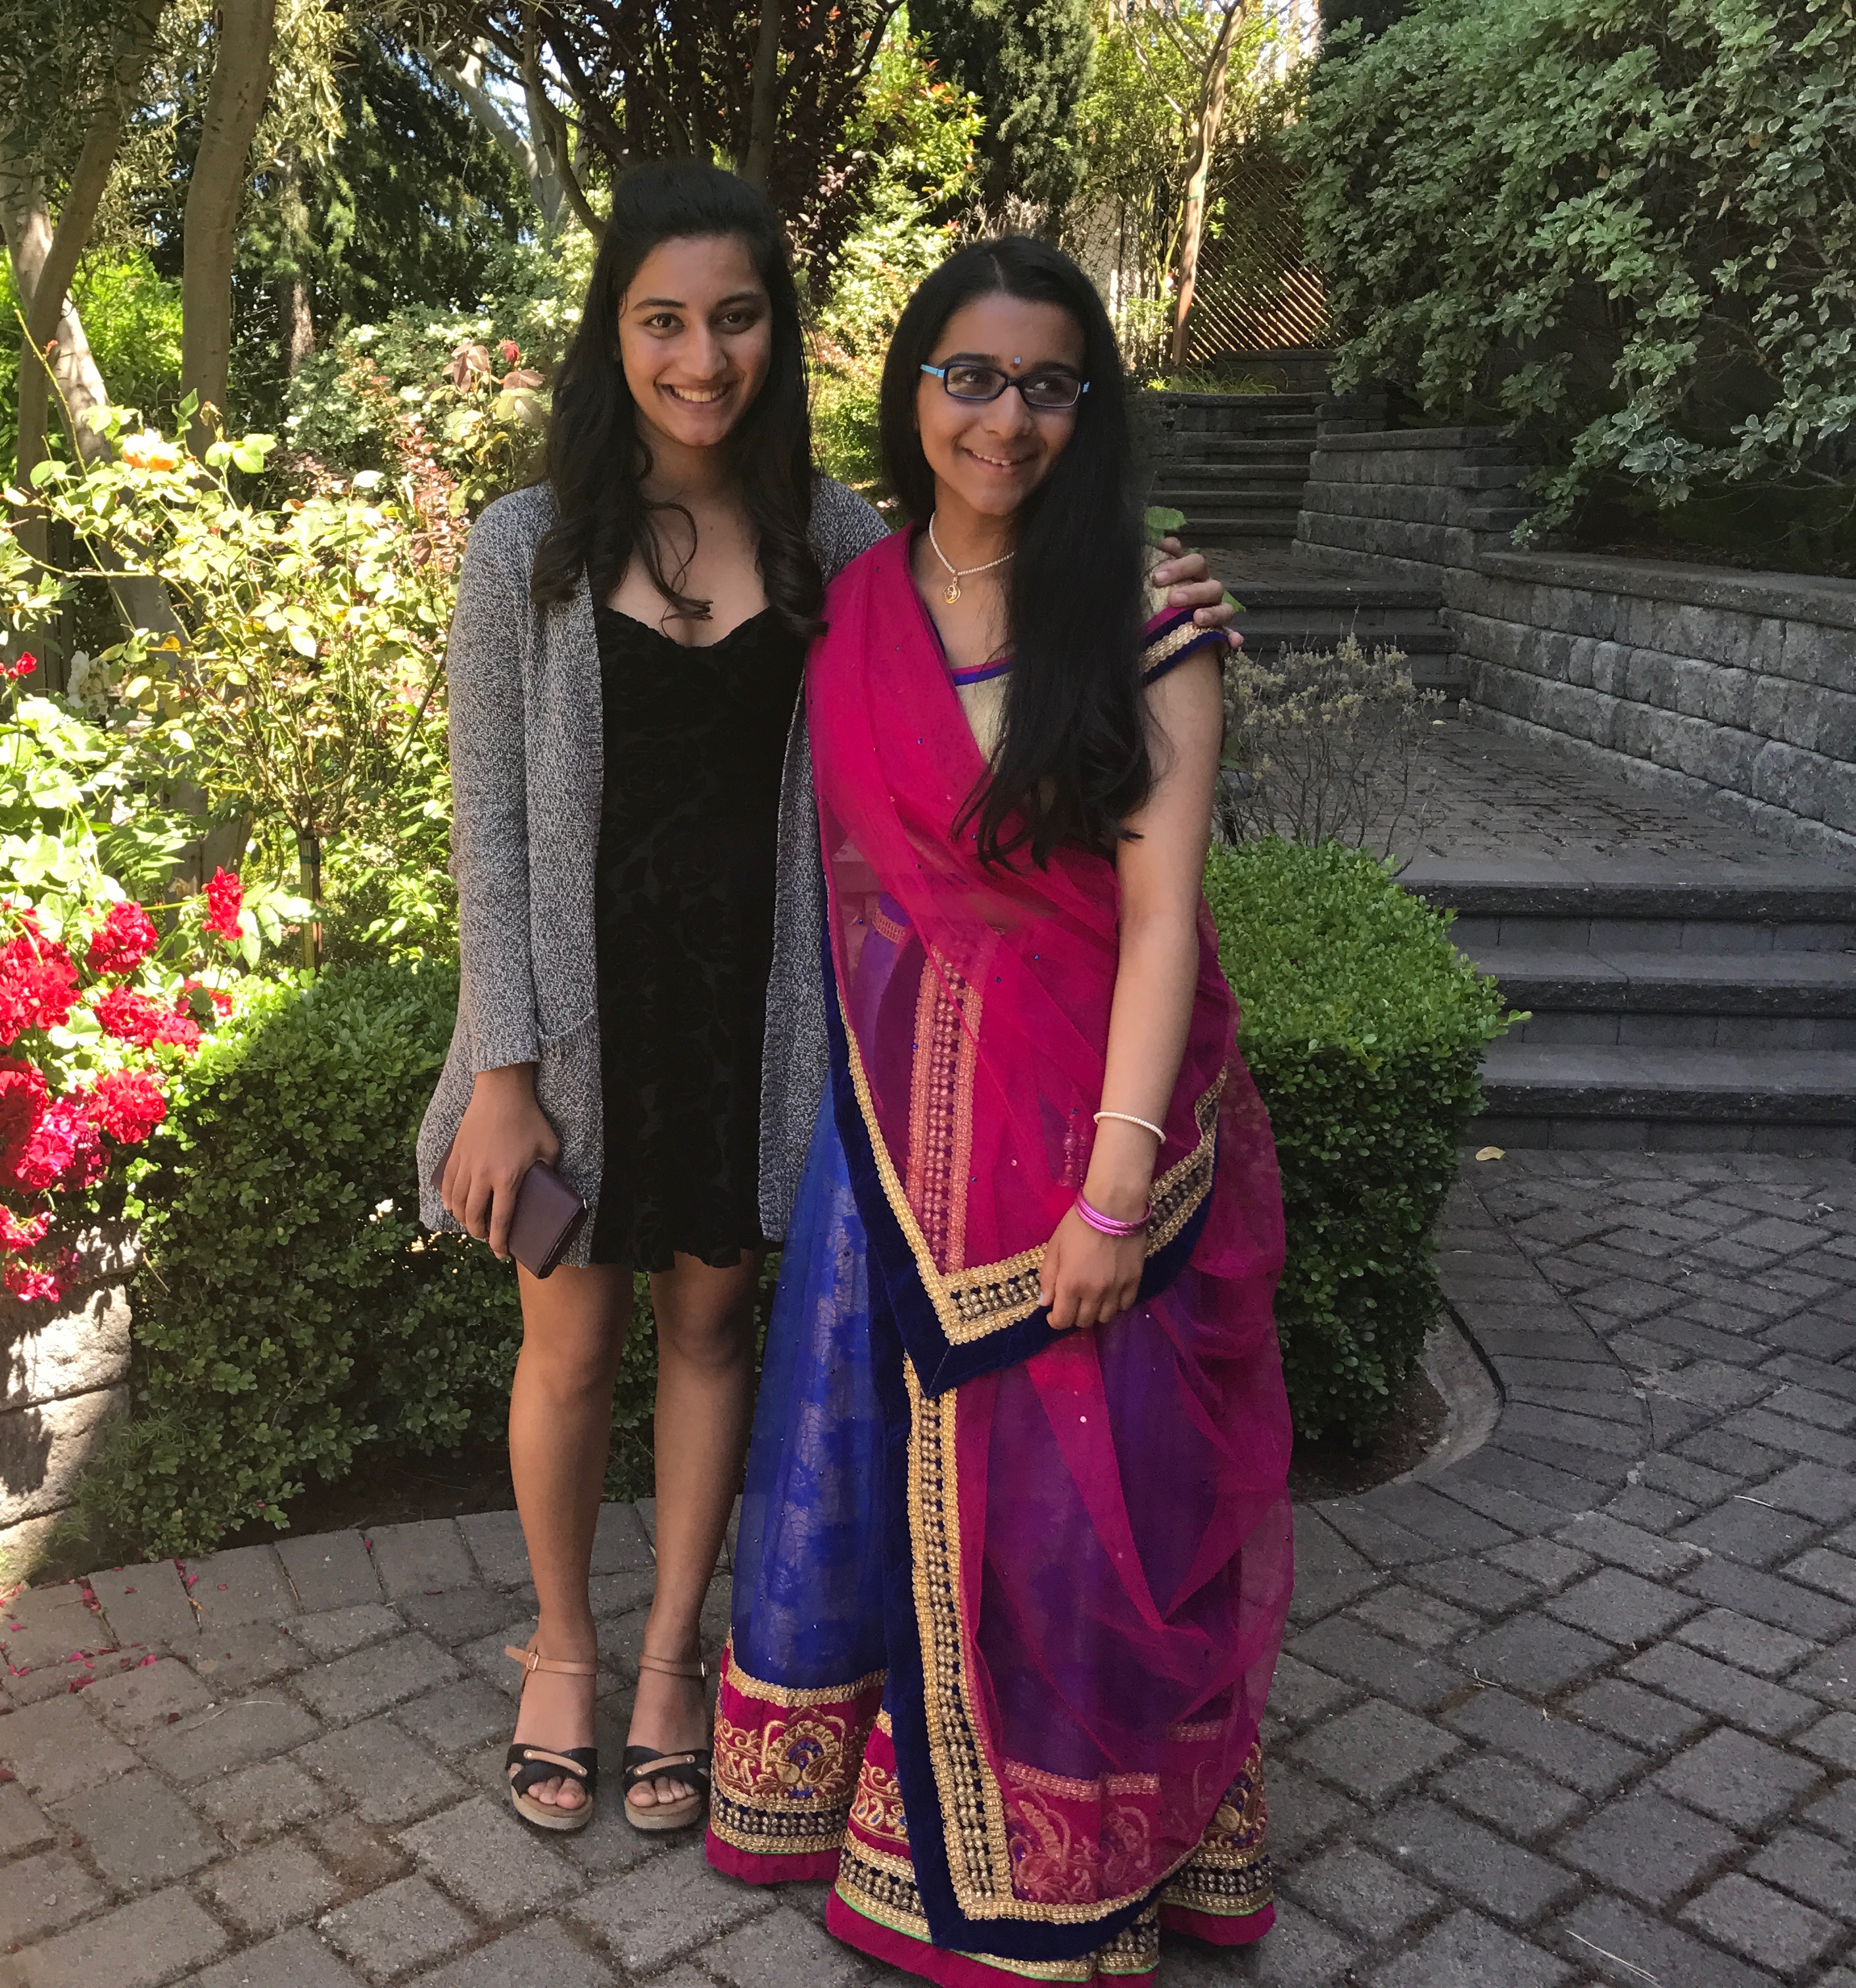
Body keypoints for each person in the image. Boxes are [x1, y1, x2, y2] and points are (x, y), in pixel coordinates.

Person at [416, 173, 1239, 1836]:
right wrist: (502, 1067)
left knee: (713, 1331)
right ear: (613, 334)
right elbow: (486, 827)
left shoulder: (835, 539)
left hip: (765, 1021)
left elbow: (998, 581)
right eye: (662, 320)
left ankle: (672, 1660)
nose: (700, 358)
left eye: (734, 319)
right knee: (566, 1346)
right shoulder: (528, 549)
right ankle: (561, 1652)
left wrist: (1167, 592)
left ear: (776, 335)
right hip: (575, 1033)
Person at [706, 236, 1293, 1981]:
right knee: (881, 1464)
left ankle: (1063, 1853)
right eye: (970, 376)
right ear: (914, 388)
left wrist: (1112, 1192)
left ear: (1088, 407)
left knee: (1073, 1501)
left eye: (1048, 385)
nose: (1005, 419)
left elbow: (1164, 922)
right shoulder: (855, 598)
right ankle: (863, 1802)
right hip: (892, 1138)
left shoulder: (1143, 613)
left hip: (1082, 1131)